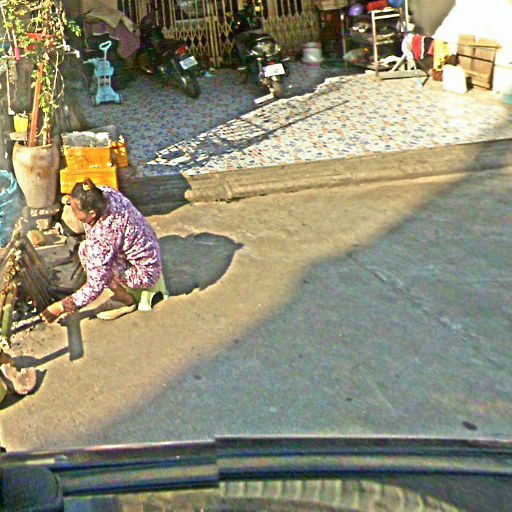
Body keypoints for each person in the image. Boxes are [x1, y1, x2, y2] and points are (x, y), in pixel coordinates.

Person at [41, 178, 162, 323]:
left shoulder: (104, 235)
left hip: (145, 272)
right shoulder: (104, 194)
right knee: (91, 251)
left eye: (76, 211)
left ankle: (125, 300)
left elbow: (95, 285)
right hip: (149, 247)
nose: (73, 213)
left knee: (87, 253)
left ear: (92, 213)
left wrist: (61, 306)